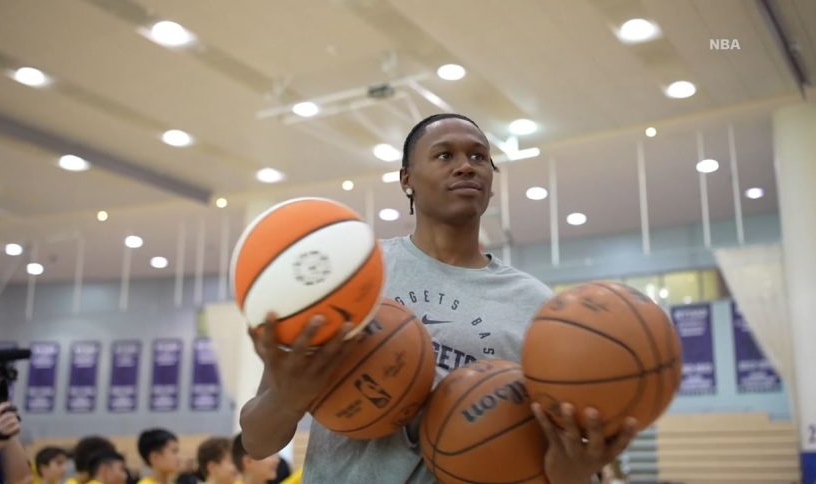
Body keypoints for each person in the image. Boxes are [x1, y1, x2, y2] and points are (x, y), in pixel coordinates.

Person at [240, 113, 637, 483]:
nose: (466, 165)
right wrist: (288, 400)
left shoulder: (534, 303)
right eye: (445, 154)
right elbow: (258, 442)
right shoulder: (351, 272)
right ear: (406, 179)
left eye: (479, 157)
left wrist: (571, 471)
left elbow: (557, 455)